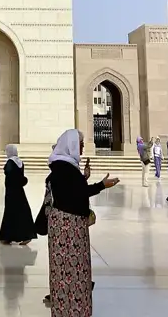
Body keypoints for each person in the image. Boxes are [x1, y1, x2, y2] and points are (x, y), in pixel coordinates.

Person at [45, 129, 119, 316]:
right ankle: (74, 309)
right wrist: (103, 185)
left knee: (64, 271)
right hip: (69, 230)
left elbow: (70, 190)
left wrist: (83, 177)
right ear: (70, 145)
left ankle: (65, 308)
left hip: (66, 227)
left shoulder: (62, 166)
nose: (83, 146)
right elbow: (78, 193)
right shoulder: (66, 169)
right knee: (73, 270)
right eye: (80, 143)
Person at [0, 144, 37, 245]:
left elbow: (10, 175)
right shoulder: (19, 161)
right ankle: (26, 235)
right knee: (22, 212)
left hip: (11, 192)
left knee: (10, 212)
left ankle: (7, 237)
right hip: (19, 191)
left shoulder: (10, 162)